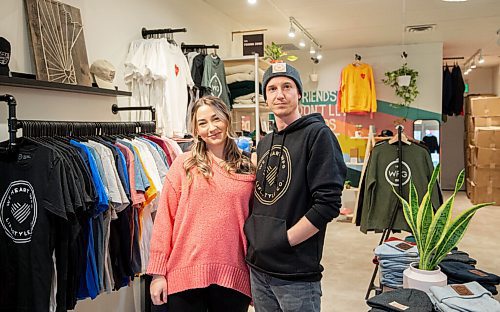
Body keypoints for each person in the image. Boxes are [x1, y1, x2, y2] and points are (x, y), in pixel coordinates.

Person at [244, 63, 347, 312]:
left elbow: (328, 205)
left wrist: (284, 241)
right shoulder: (265, 142)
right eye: (272, 88)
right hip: (258, 268)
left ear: (299, 93)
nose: (280, 94)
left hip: (295, 274)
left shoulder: (318, 135)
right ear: (265, 97)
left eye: (287, 86)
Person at [147, 96, 256, 311]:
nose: (211, 128)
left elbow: (255, 223)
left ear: (227, 119)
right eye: (202, 123)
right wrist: (158, 274)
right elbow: (164, 220)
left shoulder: (248, 168)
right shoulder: (184, 164)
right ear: (195, 130)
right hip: (185, 273)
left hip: (233, 275)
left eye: (216, 119)